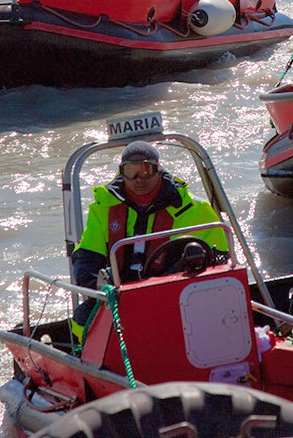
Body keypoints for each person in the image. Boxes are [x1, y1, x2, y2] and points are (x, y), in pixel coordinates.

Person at [69, 141, 228, 341]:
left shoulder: (195, 209)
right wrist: (100, 286)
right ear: (121, 172)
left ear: (158, 170)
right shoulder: (102, 208)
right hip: (119, 296)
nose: (138, 179)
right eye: (131, 171)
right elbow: (87, 257)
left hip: (177, 293)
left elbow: (222, 259)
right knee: (82, 321)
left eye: (146, 170)